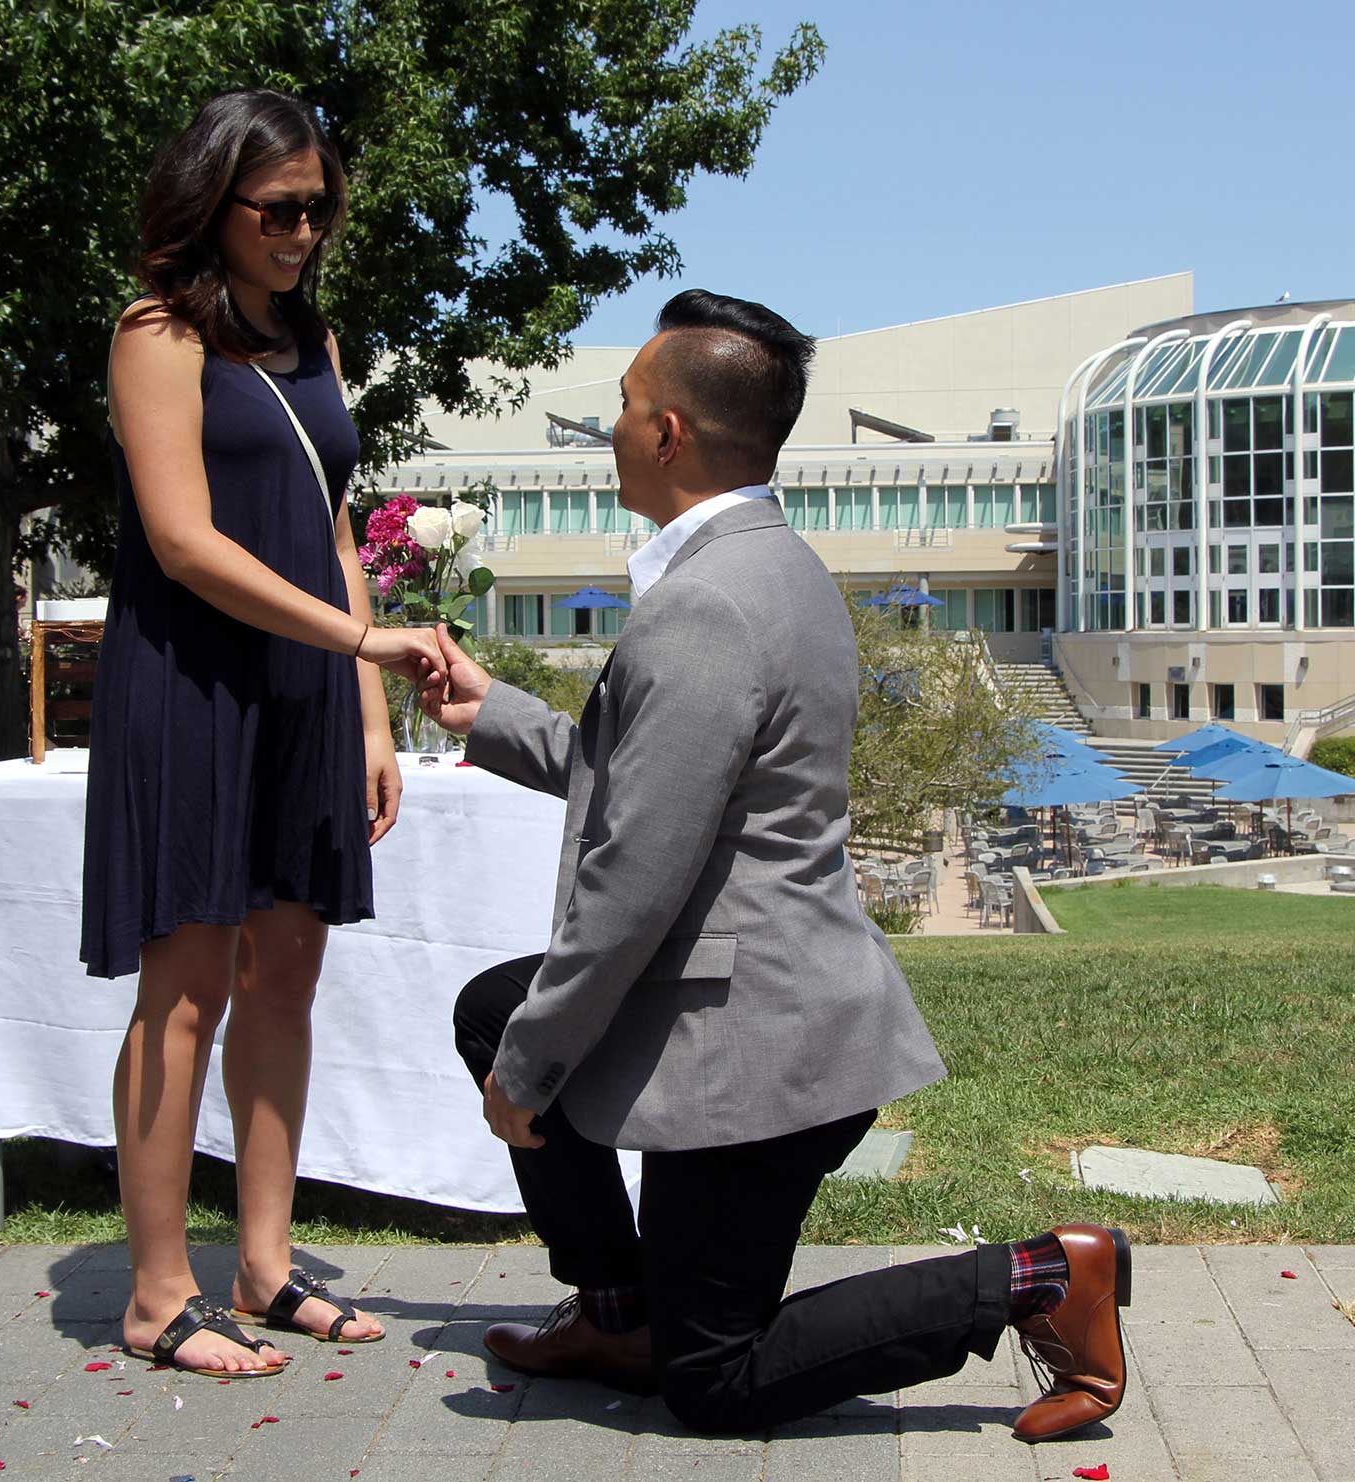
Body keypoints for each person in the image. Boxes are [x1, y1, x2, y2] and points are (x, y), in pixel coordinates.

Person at [423, 290, 1130, 1442]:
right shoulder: (775, 566)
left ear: (666, 435)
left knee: (720, 1380)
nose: (610, 429)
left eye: (622, 406)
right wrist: (486, 713)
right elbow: (651, 786)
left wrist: (534, 1068)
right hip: (767, 997)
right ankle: (615, 1309)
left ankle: (1042, 1280)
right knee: (491, 1006)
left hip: (756, 1050)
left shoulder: (705, 604)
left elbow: (635, 880)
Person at [80, 90, 444, 1377]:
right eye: (281, 209)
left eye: (320, 208)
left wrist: (367, 713)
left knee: (287, 971)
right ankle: (157, 1292)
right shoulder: (155, 331)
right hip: (188, 681)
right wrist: (361, 646)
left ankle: (269, 1266)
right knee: (180, 990)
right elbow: (182, 544)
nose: (306, 231)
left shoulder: (311, 334)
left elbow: (335, 529)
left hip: (303, 690)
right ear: (214, 202)